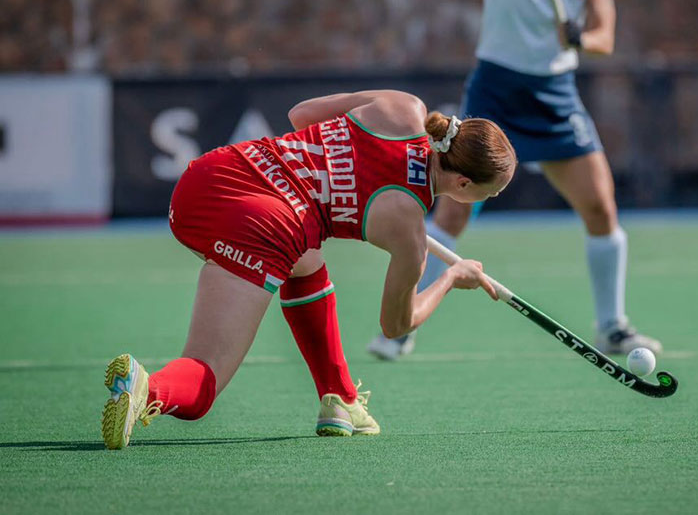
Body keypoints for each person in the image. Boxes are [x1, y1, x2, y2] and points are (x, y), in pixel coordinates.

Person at [100, 89, 517, 449]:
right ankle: (144, 388)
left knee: (307, 263)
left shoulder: (402, 107)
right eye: (490, 194)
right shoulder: (407, 229)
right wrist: (450, 277)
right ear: (463, 185)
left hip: (213, 174)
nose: (486, 198)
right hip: (265, 223)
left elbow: (300, 115)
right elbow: (396, 325)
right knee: (201, 389)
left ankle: (339, 398)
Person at [367, 0, 662, 361]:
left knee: (600, 208)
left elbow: (604, 38)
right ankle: (401, 328)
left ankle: (612, 326)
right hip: (497, 89)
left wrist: (579, 39)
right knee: (454, 213)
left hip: (555, 93)